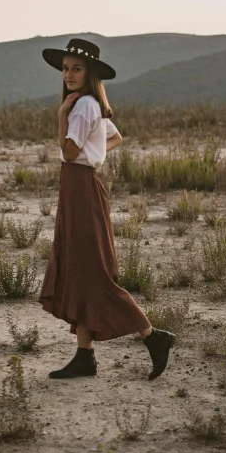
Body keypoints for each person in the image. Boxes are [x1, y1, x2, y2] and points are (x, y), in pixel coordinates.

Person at [38, 37, 176, 380]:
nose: (69, 74)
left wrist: (61, 118)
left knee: (93, 271)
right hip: (76, 186)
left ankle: (152, 335)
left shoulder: (81, 106)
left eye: (76, 69)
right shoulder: (87, 104)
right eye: (66, 69)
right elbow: (114, 136)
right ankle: (85, 355)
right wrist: (96, 150)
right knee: (78, 268)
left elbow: (69, 153)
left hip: (80, 185)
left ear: (90, 72)